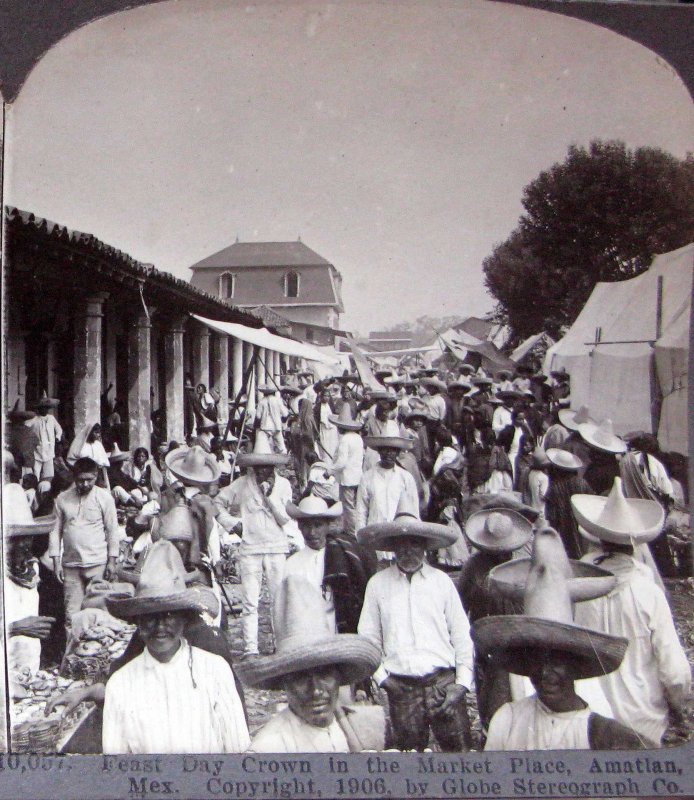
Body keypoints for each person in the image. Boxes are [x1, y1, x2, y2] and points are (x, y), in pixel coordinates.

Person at [473, 526, 645, 751]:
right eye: (537, 660)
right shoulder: (508, 720)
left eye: (556, 662)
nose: (545, 673)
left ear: (575, 662)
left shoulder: (602, 731)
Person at [572, 478, 691, 746]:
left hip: (590, 716)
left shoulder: (579, 584)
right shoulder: (647, 591)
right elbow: (675, 672)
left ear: (598, 537)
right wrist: (678, 704)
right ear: (635, 542)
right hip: (643, 718)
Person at [101, 540, 249, 753]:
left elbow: (238, 750)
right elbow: (116, 765)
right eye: (150, 617)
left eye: (170, 615)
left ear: (185, 619)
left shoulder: (215, 671)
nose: (160, 626)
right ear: (138, 623)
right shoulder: (121, 684)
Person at [358, 514, 474, 751]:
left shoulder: (440, 582)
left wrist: (460, 685)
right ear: (393, 548)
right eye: (402, 545)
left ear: (425, 547)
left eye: (415, 544)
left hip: (443, 684)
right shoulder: (378, 584)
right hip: (402, 688)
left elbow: (462, 634)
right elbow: (368, 638)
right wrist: (383, 679)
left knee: (461, 759)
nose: (408, 551)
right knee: (409, 762)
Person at [238, 575, 383, 752]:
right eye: (300, 678)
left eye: (324, 674)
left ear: (339, 676)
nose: (316, 690)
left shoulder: (356, 728)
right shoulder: (270, 748)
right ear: (284, 683)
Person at [457, 507, 532, 731]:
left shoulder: (523, 565)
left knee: (516, 687)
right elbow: (462, 605)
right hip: (486, 637)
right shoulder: (473, 567)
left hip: (518, 637)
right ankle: (492, 729)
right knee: (489, 687)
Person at [216, 440, 293, 657]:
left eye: (267, 467)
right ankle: (251, 648)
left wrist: (269, 499)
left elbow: (285, 518)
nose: (263, 472)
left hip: (277, 547)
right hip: (250, 548)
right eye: (259, 468)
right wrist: (233, 524)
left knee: (279, 600)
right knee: (250, 601)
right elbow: (218, 503)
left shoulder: (284, 485)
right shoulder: (242, 484)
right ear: (252, 468)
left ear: (273, 468)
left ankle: (281, 645)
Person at [284, 496, 375, 634]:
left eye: (318, 525)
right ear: (299, 526)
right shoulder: (291, 565)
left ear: (328, 525)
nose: (312, 532)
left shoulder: (342, 555)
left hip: (341, 633)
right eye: (306, 525)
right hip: (307, 636)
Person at [48, 457, 120, 626]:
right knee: (71, 614)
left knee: (98, 614)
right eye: (81, 480)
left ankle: (96, 652)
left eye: (90, 480)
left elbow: (112, 530)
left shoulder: (104, 498)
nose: (85, 484)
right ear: (74, 478)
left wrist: (112, 561)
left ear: (96, 477)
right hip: (71, 565)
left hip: (97, 563)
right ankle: (72, 651)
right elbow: (54, 531)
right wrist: (56, 562)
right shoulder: (62, 499)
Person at [3, 472, 57, 673]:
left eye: (27, 538)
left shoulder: (32, 568)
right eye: (15, 539)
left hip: (27, 666)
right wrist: (17, 628)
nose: (24, 544)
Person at [355, 435, 420, 539]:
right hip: (375, 534)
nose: (389, 453)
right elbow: (361, 510)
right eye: (385, 450)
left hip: (398, 535)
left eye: (393, 450)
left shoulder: (406, 477)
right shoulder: (367, 477)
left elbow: (414, 510)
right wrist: (360, 536)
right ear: (379, 451)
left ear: (398, 453)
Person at [544, 448, 593, 559]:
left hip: (563, 533)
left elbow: (551, 518)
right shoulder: (582, 483)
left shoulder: (554, 488)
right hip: (582, 531)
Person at [327, 404, 364, 537]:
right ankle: (350, 527)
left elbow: (342, 462)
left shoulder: (345, 440)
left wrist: (329, 471)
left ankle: (353, 530)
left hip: (347, 478)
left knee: (348, 506)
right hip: (358, 475)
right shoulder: (358, 438)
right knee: (356, 504)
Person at [24, 391, 63, 480]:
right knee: (36, 473)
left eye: (46, 408)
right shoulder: (34, 419)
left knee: (49, 474)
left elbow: (59, 429)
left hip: (49, 449)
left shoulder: (51, 418)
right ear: (39, 409)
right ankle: (35, 486)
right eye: (42, 408)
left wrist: (58, 437)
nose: (44, 410)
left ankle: (46, 488)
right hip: (37, 450)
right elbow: (25, 427)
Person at [254, 384, 287, 454]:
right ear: (274, 392)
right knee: (281, 446)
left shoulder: (261, 401)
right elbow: (285, 414)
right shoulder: (278, 400)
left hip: (265, 427)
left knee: (264, 447)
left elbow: (258, 416)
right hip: (277, 427)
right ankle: (285, 459)